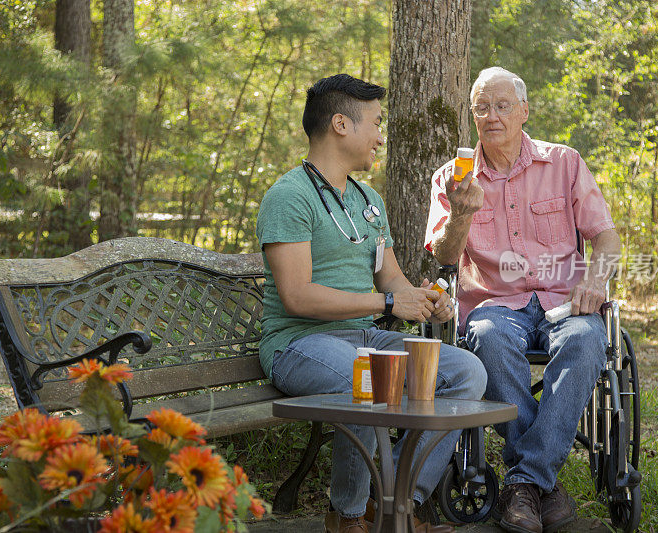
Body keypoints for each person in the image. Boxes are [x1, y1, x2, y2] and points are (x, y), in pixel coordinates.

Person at [257, 73, 487, 533]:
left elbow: (393, 277)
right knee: (365, 379)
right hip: (299, 343)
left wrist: (424, 300)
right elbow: (297, 296)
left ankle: (395, 503)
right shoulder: (289, 196)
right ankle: (347, 516)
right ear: (341, 125)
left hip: (364, 338)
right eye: (376, 124)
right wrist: (386, 301)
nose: (380, 137)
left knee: (466, 373)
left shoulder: (369, 200)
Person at [424, 67, 622, 533]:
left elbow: (607, 239)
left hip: (565, 300)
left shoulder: (565, 163)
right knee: (488, 339)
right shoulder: (453, 178)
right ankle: (542, 485)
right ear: (473, 115)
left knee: (587, 340)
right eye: (481, 108)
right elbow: (446, 259)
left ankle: (523, 483)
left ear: (524, 111)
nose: (492, 116)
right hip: (494, 303)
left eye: (502, 106)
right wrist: (462, 214)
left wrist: (595, 279)